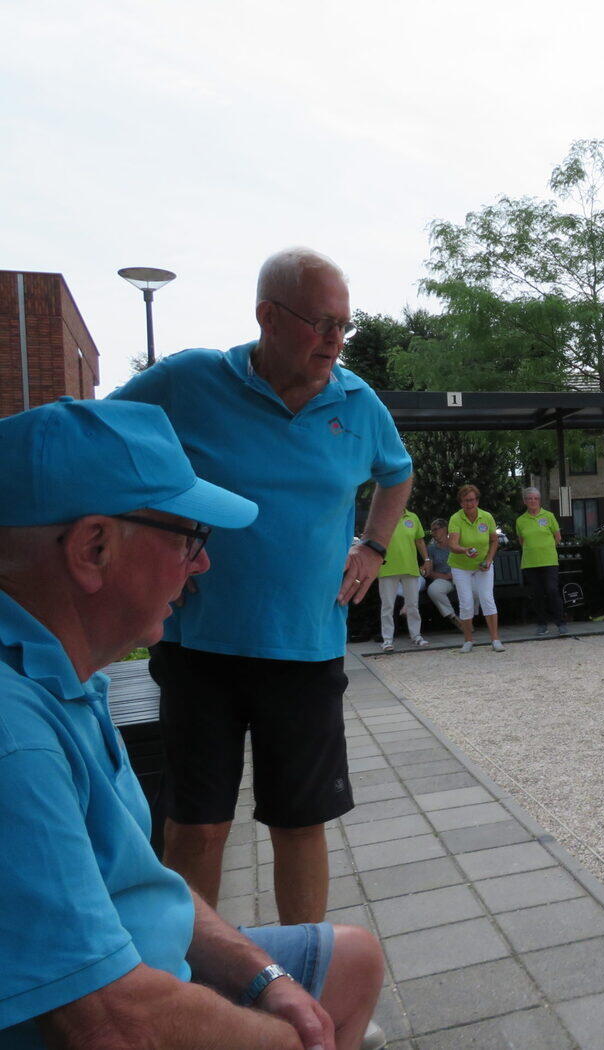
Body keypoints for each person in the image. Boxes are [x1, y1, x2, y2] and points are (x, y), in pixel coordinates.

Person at [0, 397, 383, 1050]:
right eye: (187, 537)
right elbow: (112, 1025)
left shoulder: (65, 673)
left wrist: (263, 977)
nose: (202, 563)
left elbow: (143, 887)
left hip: (141, 967)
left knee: (355, 959)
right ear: (93, 547)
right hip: (125, 1004)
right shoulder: (18, 741)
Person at [110, 247, 413, 927]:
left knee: (300, 823)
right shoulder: (188, 380)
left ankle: (302, 972)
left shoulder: (358, 402)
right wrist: (149, 548)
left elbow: (396, 473)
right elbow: (100, 438)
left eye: (344, 325)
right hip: (200, 648)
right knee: (197, 827)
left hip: (306, 648)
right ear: (268, 317)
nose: (336, 340)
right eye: (321, 323)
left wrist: (372, 545)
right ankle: (192, 972)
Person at [447, 485, 505, 653]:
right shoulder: (455, 518)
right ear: (461, 503)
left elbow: (494, 540)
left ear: (477, 501)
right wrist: (464, 550)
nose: (469, 503)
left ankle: (495, 639)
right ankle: (468, 640)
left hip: (483, 566)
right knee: (466, 602)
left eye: (472, 500)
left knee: (487, 599)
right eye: (466, 501)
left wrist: (488, 560)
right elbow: (452, 544)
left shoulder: (486, 517)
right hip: (460, 566)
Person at [516, 487, 568, 637]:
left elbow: (557, 537)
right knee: (537, 594)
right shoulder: (520, 521)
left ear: (539, 500)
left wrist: (546, 548)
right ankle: (541, 624)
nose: (533, 501)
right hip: (530, 562)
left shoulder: (549, 516)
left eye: (536, 498)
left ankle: (561, 623)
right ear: (525, 501)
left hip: (549, 561)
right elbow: (521, 540)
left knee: (552, 590)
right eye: (529, 498)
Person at [376, 509, 430, 652]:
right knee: (387, 605)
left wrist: (426, 559)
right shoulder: (382, 515)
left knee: (412, 604)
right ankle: (387, 640)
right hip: (387, 568)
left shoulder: (413, 517)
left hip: (409, 567)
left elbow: (419, 540)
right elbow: (373, 541)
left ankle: (416, 636)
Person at [422, 518, 458, 625]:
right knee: (434, 590)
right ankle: (453, 617)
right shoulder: (431, 549)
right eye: (432, 531)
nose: (433, 533)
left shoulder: (456, 544)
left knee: (476, 589)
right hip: (444, 580)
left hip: (461, 577)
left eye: (435, 529)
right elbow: (429, 571)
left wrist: (456, 574)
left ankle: (470, 620)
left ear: (445, 529)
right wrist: (445, 576)